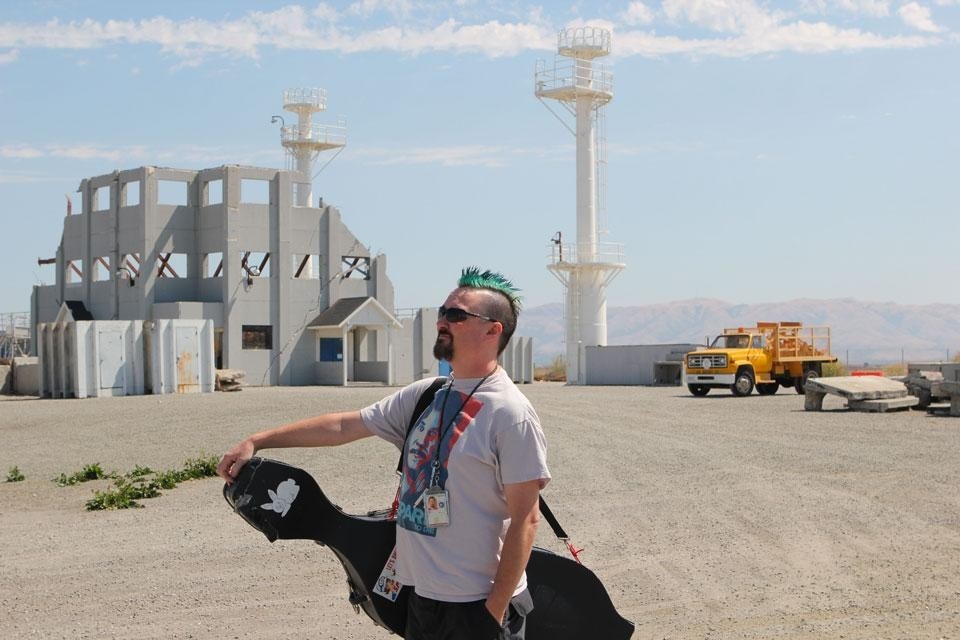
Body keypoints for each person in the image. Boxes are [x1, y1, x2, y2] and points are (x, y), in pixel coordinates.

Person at [217, 267, 550, 640]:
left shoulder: (510, 414)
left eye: (456, 315)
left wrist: (493, 611)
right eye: (442, 312)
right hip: (423, 599)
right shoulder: (428, 395)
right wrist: (258, 440)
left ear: (493, 330)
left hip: (478, 604)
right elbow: (344, 426)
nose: (442, 321)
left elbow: (526, 519)